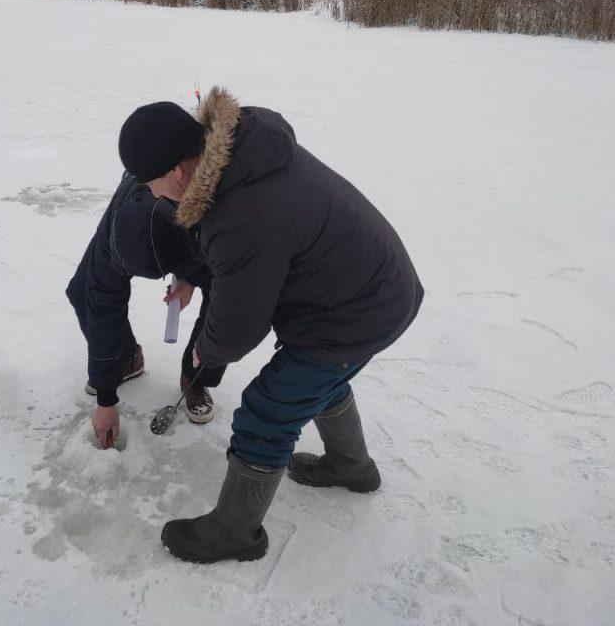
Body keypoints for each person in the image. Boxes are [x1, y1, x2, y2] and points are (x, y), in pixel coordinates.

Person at [117, 89, 424, 563]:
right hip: (374, 289)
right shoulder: (244, 153)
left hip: (357, 310)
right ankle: (351, 467)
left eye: (149, 184)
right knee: (315, 378)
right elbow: (245, 259)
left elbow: (241, 323)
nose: (151, 194)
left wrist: (206, 352)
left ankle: (234, 533)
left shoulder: (241, 212)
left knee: (267, 410)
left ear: (178, 171)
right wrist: (195, 279)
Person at [65, 170, 227, 448]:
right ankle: (126, 359)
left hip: (197, 215)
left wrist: (189, 276)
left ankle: (196, 377)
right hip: (138, 211)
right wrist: (106, 398)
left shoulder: (212, 211)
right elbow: (102, 305)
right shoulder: (113, 239)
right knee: (82, 291)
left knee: (224, 299)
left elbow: (232, 293)